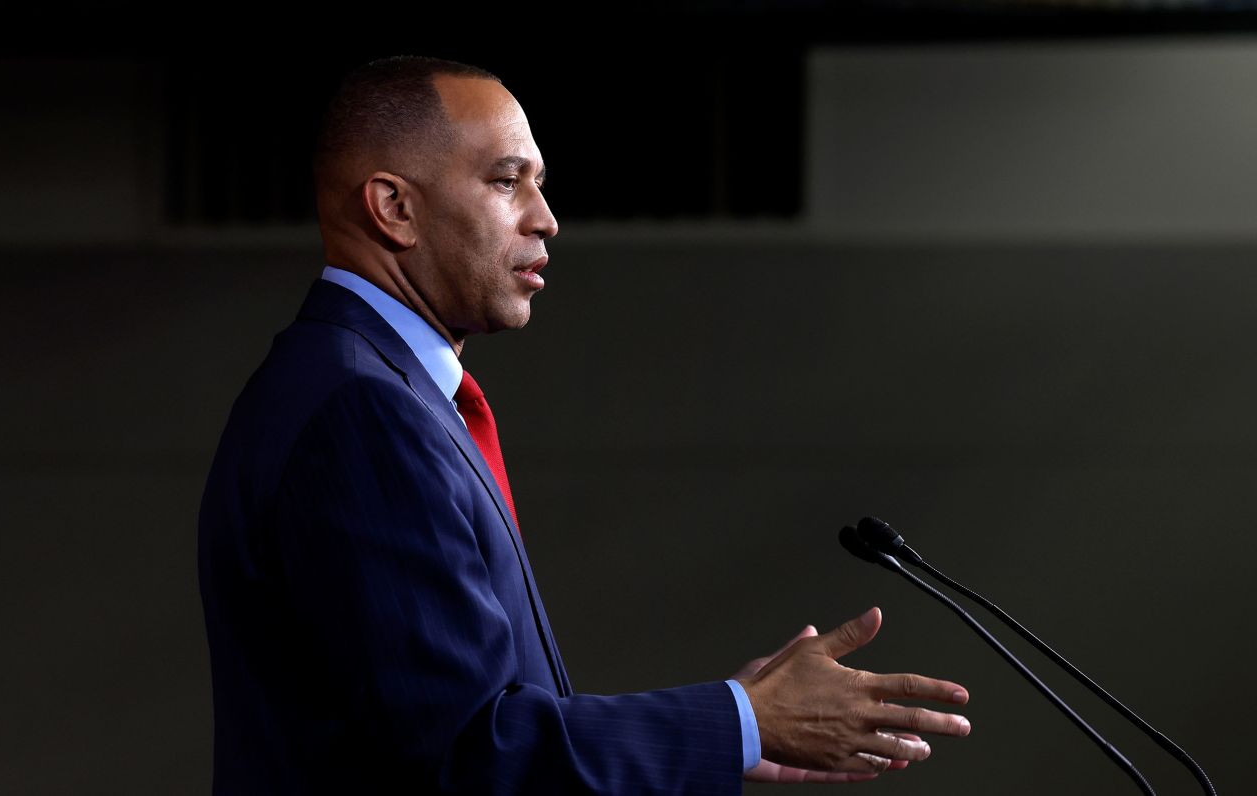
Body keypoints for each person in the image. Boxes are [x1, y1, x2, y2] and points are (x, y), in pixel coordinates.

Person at [197, 55, 973, 795]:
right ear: (394, 206)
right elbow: (469, 758)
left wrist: (741, 724)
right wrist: (739, 720)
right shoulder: (360, 413)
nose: (547, 219)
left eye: (541, 184)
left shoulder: (369, 390)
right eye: (507, 182)